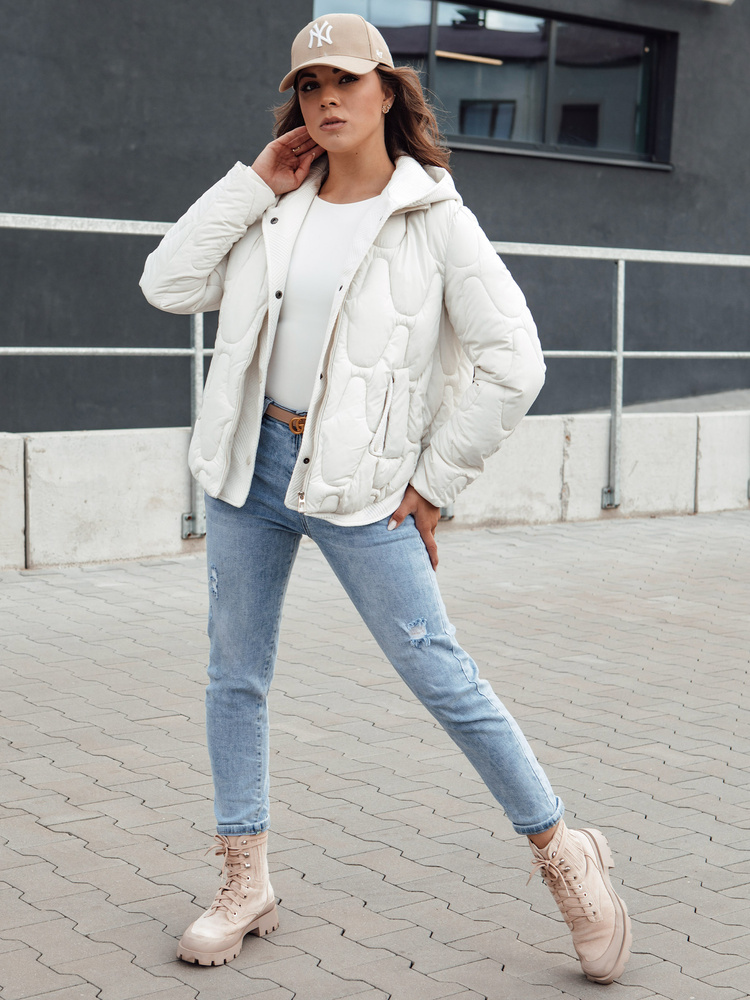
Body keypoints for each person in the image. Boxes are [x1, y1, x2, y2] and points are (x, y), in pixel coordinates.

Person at [140, 12, 631, 984]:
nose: (327, 100)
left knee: (440, 673)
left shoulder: (434, 219)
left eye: (346, 82)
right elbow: (166, 283)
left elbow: (516, 363)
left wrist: (435, 483)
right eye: (310, 86)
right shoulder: (276, 205)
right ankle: (245, 882)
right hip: (249, 470)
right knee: (234, 676)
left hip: (363, 489)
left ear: (387, 92)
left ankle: (565, 852)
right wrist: (252, 183)